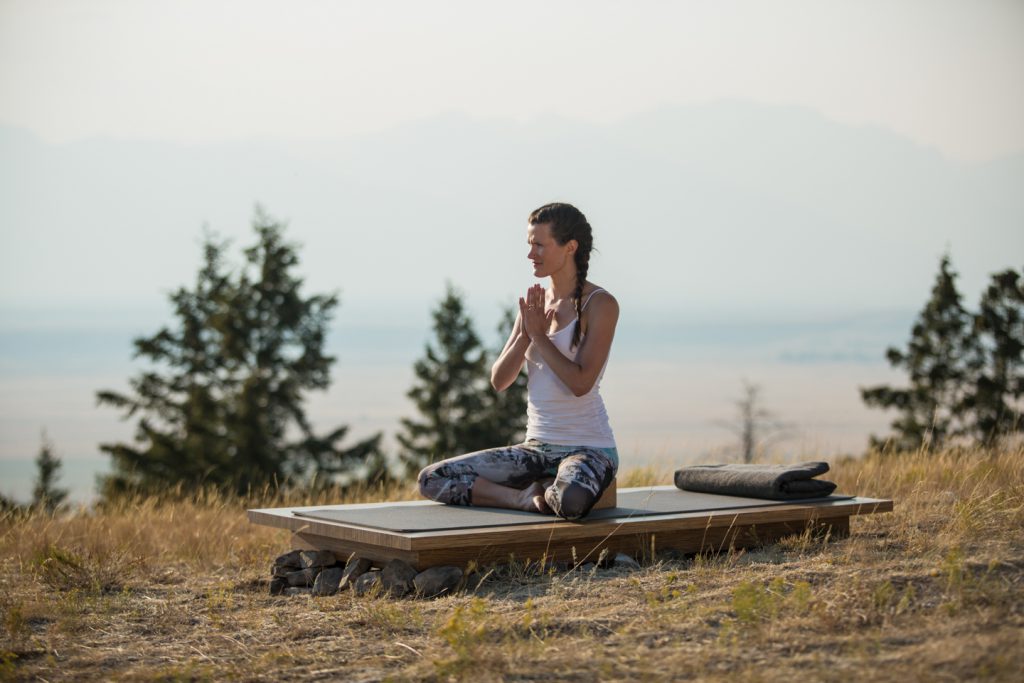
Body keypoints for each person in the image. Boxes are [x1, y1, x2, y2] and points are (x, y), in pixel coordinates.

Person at [417, 202, 619, 520]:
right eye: (530, 245)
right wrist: (526, 334)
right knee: (432, 479)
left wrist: (539, 336)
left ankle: (556, 488)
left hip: (589, 448)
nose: (531, 254)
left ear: (570, 247)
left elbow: (581, 383)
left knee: (571, 504)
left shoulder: (601, 304)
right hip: (535, 449)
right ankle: (523, 498)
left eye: (540, 245)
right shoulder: (533, 307)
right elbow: (499, 380)